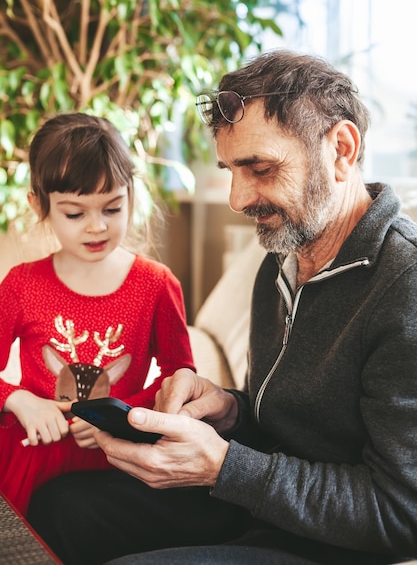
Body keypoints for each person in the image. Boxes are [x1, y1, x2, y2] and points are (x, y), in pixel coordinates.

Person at [27, 51, 417, 565]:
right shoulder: (282, 261)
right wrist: (229, 409)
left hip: (335, 545)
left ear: (342, 149)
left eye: (260, 168)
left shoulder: (403, 286)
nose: (237, 198)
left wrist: (223, 467)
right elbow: (289, 425)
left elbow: (400, 513)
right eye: (231, 170)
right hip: (262, 505)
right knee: (61, 506)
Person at [0, 112, 195, 516]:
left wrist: (122, 416)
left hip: (121, 461)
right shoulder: (21, 285)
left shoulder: (157, 284)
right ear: (40, 205)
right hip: (34, 457)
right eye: (75, 213)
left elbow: (180, 378)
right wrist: (18, 399)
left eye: (112, 208)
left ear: (131, 197)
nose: (96, 227)